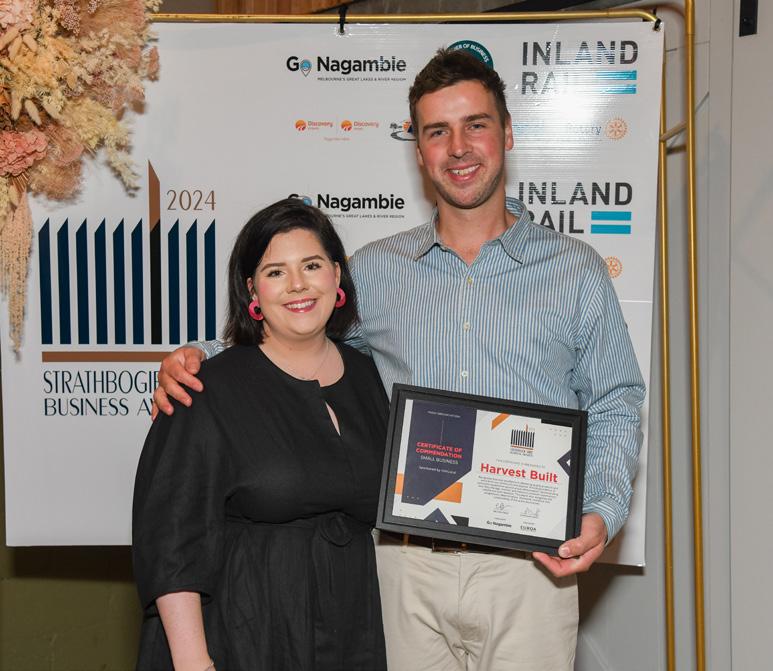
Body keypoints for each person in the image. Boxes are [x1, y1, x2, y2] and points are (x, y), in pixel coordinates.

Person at [153, 49, 645, 671]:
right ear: (418, 150)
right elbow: (301, 335)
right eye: (437, 131)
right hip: (401, 567)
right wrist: (203, 357)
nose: (458, 148)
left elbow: (615, 398)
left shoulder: (575, 271)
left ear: (508, 134)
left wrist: (601, 509)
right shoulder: (377, 271)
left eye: (475, 125)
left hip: (531, 567)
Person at [132, 199, 388, 671]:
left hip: (351, 630)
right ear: (252, 289)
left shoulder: (370, 378)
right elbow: (171, 541)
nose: (297, 284)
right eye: (275, 272)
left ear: (337, 275)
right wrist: (194, 662)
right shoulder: (203, 388)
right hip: (242, 633)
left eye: (311, 265)